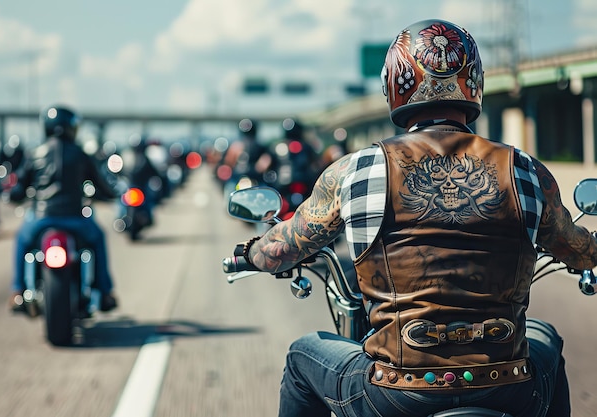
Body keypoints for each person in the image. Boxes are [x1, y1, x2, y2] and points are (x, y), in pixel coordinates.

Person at [240, 19, 597, 417]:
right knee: (547, 341)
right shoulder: (524, 170)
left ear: (396, 82)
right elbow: (577, 249)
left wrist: (250, 251)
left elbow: (283, 249)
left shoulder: (358, 170)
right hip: (508, 386)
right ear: (473, 79)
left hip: (395, 391)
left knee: (302, 354)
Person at [8, 105, 118, 313]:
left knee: (22, 239)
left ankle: (17, 291)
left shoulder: (35, 154)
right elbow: (102, 185)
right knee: (99, 238)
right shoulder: (81, 154)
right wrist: (109, 195)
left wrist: (14, 195)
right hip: (75, 219)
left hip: (42, 218)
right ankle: (105, 292)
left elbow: (20, 186)